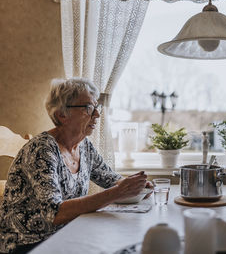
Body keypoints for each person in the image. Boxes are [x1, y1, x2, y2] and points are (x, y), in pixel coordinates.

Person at [0, 78, 150, 253]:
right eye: (88, 108)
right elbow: (54, 213)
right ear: (62, 115)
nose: (97, 114)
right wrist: (118, 192)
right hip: (29, 244)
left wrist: (138, 186)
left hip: (67, 233)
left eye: (96, 107)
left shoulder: (84, 147)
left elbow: (111, 179)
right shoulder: (42, 149)